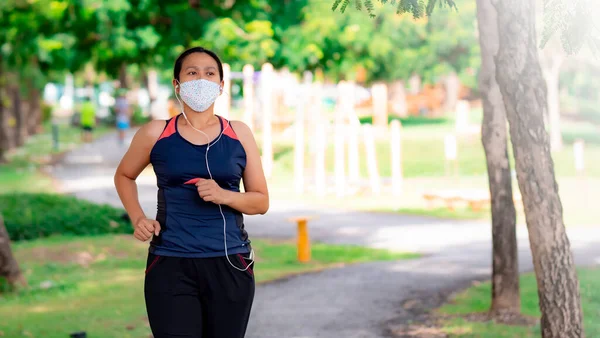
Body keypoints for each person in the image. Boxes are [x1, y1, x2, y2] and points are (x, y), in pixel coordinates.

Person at [113, 47, 269, 338]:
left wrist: (225, 195)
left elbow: (260, 201)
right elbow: (124, 175)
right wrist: (138, 218)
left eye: (210, 73)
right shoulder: (155, 133)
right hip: (170, 263)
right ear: (177, 84)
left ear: (220, 86)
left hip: (230, 262)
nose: (201, 79)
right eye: (192, 73)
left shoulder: (239, 133)